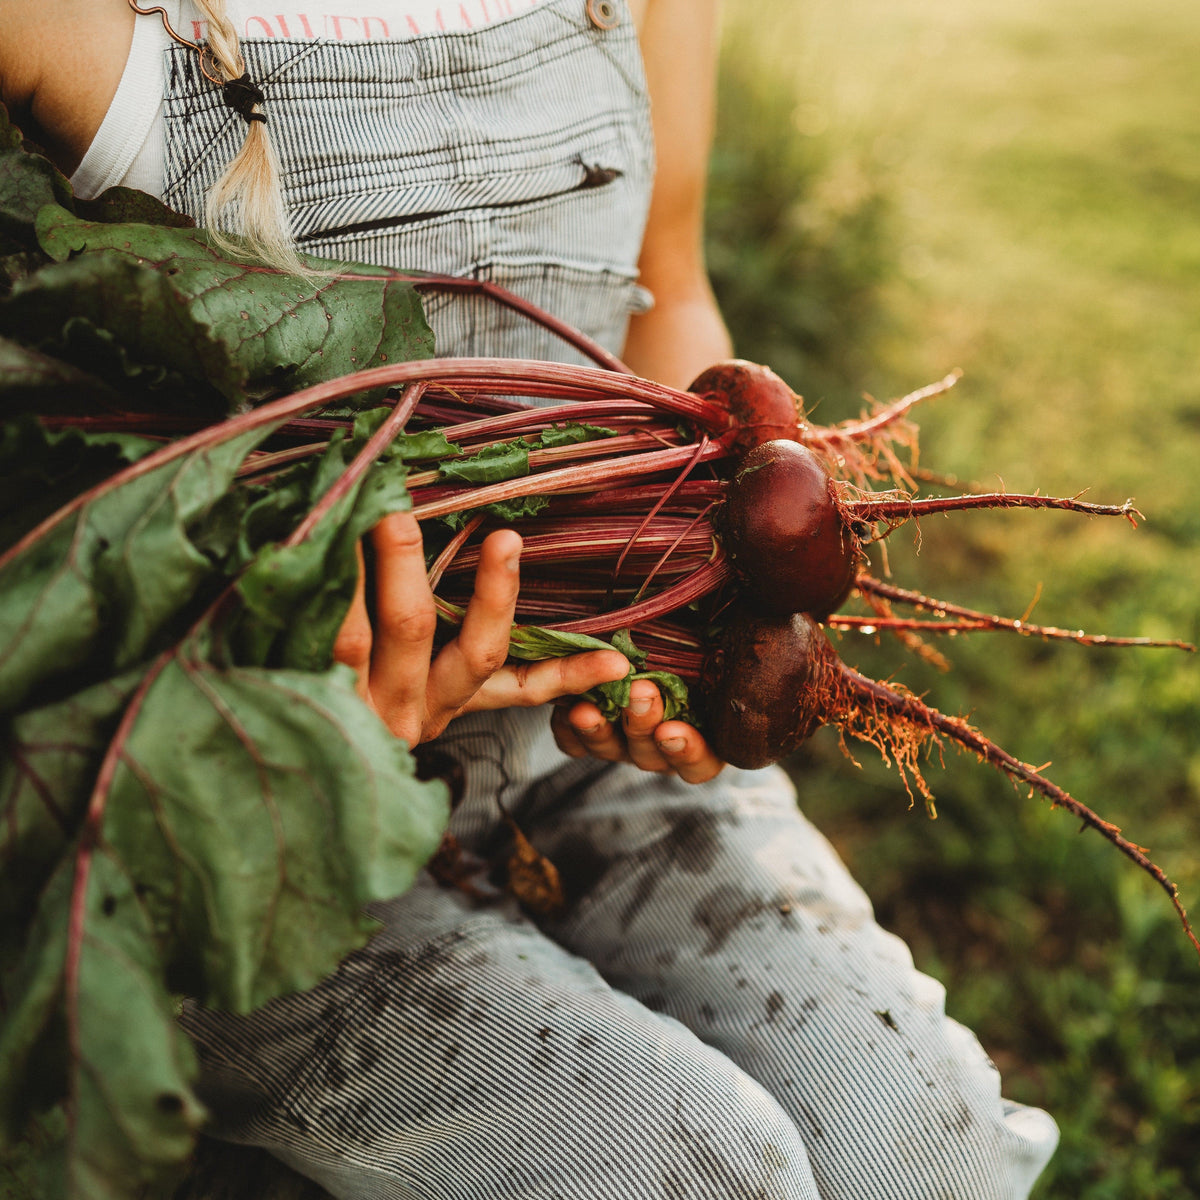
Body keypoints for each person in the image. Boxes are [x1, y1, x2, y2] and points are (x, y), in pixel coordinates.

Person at [1, 2, 1061, 1196]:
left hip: (569, 736)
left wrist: (684, 624)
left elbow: (667, 284)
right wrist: (294, 673)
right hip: (232, 793)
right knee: (698, 1171)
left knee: (923, 1142)